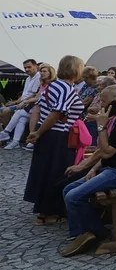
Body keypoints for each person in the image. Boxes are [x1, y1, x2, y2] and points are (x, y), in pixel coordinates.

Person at [59, 85, 116, 257]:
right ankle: (82, 233)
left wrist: (101, 127)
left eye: (104, 101)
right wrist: (90, 168)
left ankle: (97, 232)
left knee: (73, 196)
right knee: (67, 189)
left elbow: (107, 150)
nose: (101, 105)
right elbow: (104, 152)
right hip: (111, 169)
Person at [23, 55, 86, 225]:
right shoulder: (65, 88)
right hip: (58, 136)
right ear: (76, 69)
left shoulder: (53, 85)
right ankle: (49, 213)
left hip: (48, 134)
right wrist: (38, 132)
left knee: (45, 171)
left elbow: (37, 109)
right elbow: (56, 114)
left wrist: (35, 131)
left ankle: (45, 210)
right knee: (57, 173)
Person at [6, 62, 56, 151]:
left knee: (19, 113)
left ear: (50, 73)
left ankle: (7, 132)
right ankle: (15, 141)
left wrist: (25, 102)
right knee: (21, 118)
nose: (41, 73)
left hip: (45, 110)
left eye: (44, 71)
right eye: (41, 71)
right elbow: (37, 97)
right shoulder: (42, 84)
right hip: (37, 108)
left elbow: (38, 98)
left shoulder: (53, 84)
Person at [0, 59, 42, 147]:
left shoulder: (38, 77)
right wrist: (14, 102)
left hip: (28, 105)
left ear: (36, 66)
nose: (26, 70)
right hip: (23, 103)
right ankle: (14, 140)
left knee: (5, 112)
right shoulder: (27, 79)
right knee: (18, 118)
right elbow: (23, 95)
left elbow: (33, 96)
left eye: (29, 67)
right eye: (25, 68)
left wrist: (21, 102)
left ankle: (7, 133)